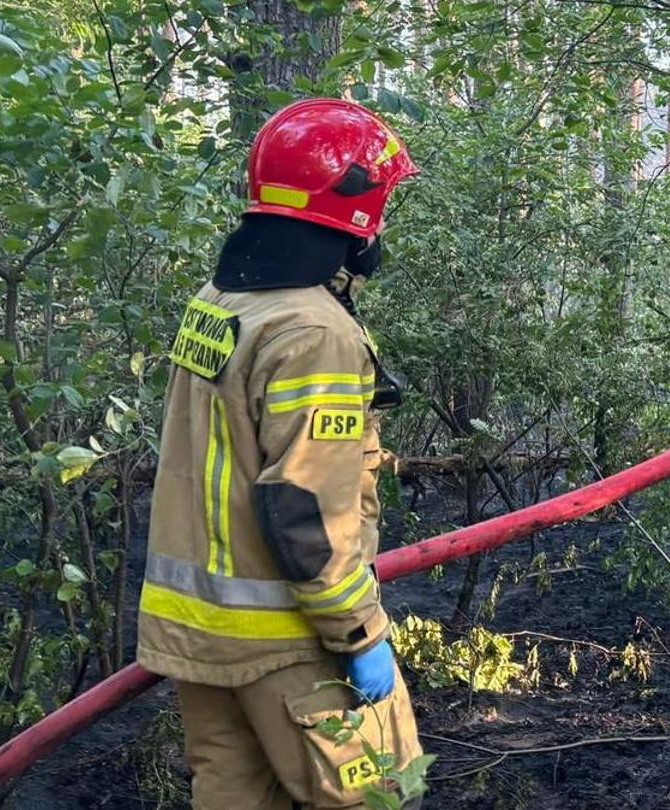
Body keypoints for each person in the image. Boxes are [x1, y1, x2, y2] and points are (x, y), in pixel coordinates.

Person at [136, 98, 425, 809]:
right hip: (288, 640)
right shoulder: (312, 330)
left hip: (197, 634)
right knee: (383, 797)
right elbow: (303, 506)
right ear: (357, 209)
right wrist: (357, 634)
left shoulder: (221, 301)